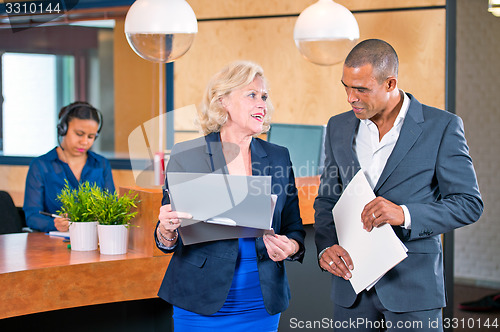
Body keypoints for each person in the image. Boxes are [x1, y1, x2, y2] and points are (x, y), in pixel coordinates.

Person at [314, 39, 483, 331]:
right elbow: (328, 198)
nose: (350, 98)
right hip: (351, 288)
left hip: (414, 287)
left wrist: (405, 214)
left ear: (390, 83)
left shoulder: (441, 126)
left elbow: (469, 204)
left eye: (361, 89)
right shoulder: (337, 127)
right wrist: (325, 246)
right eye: (346, 86)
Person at [154, 60, 305, 331]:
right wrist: (166, 230)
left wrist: (290, 247)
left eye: (264, 97)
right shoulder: (187, 155)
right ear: (223, 100)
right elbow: (168, 235)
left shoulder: (279, 156)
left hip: (261, 302)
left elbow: (294, 226)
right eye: (252, 95)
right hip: (199, 300)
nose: (262, 104)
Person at [23, 101, 115, 232]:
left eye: (91, 137)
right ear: (63, 129)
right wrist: (54, 224)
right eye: (79, 134)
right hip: (53, 245)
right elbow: (32, 216)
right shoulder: (41, 166)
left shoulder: (101, 164)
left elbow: (111, 209)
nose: (84, 142)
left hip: (95, 241)